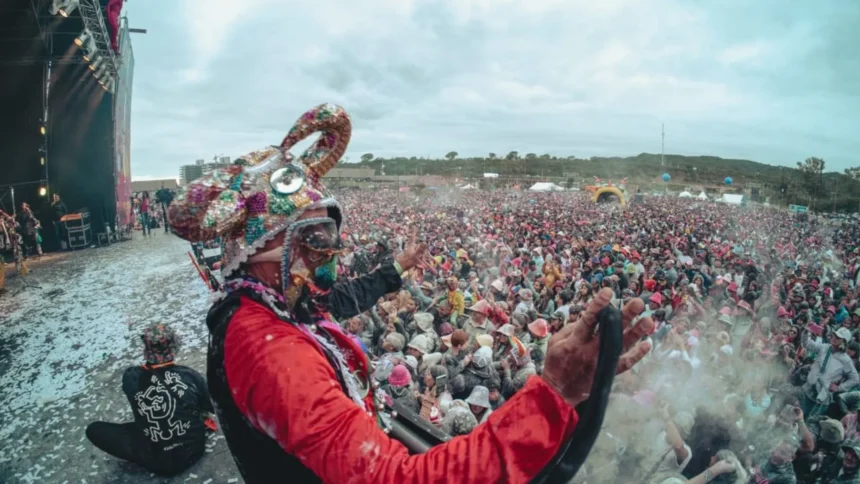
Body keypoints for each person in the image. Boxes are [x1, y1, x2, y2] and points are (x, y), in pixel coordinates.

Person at [167, 104, 654, 484]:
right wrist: (556, 395)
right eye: (316, 240)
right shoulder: (270, 352)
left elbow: (340, 301)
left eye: (333, 239)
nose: (332, 258)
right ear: (263, 245)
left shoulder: (273, 309)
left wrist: (395, 270)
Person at [85, 323, 214, 476]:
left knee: (95, 429)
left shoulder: (131, 377)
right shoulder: (190, 376)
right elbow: (209, 406)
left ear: (145, 350)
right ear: (174, 349)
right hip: (194, 450)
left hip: (156, 460)